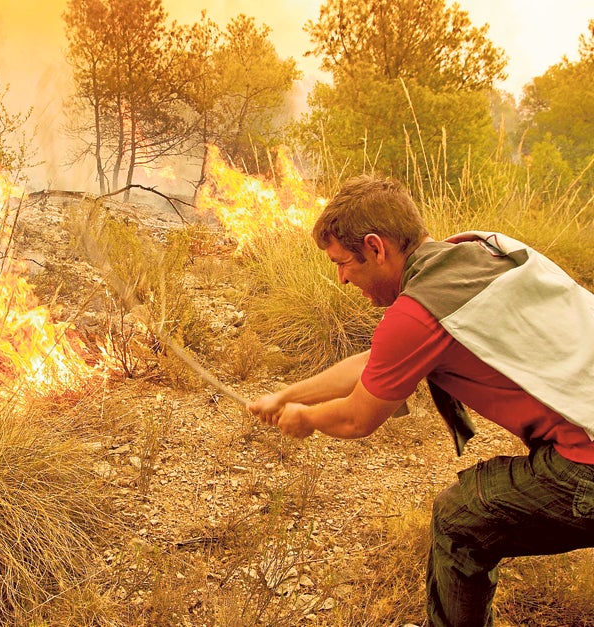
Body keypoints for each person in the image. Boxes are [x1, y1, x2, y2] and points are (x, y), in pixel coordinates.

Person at [247, 174, 594, 627]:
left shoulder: (418, 313)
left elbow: (356, 418)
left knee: (460, 519)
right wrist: (286, 395)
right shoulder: (482, 250)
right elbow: (377, 362)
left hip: (586, 463)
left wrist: (306, 419)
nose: (342, 280)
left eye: (343, 263)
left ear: (376, 247)